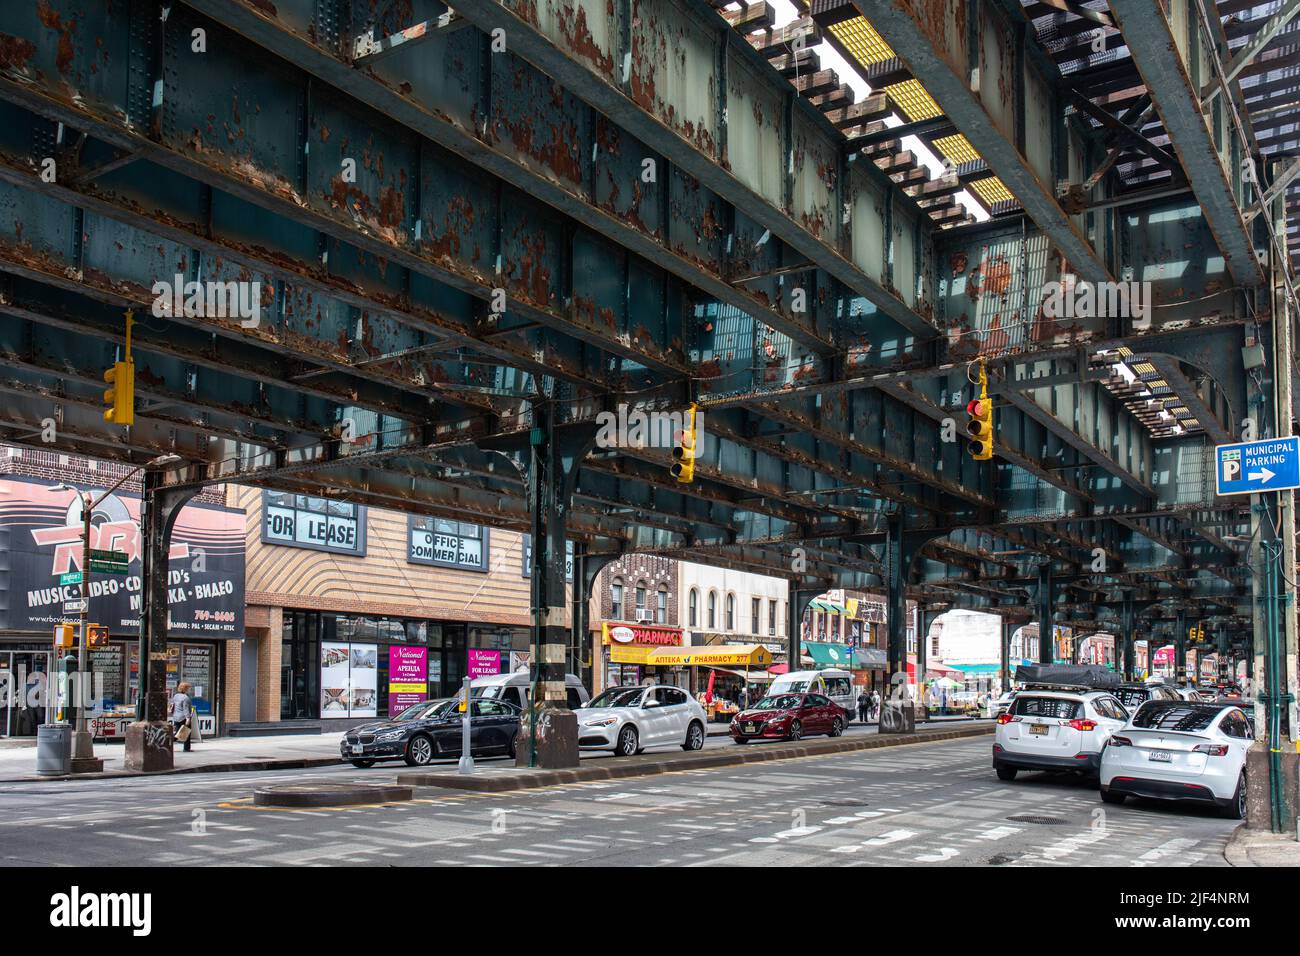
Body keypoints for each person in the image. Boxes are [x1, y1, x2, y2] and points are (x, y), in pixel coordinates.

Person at [170, 681, 193, 753]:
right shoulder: (186, 698)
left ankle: (169, 742)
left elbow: (173, 705)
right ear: (185, 689)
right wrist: (188, 718)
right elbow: (186, 709)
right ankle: (186, 749)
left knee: (178, 734)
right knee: (186, 733)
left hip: (176, 717)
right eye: (188, 688)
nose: (189, 689)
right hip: (183, 717)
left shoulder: (176, 696)